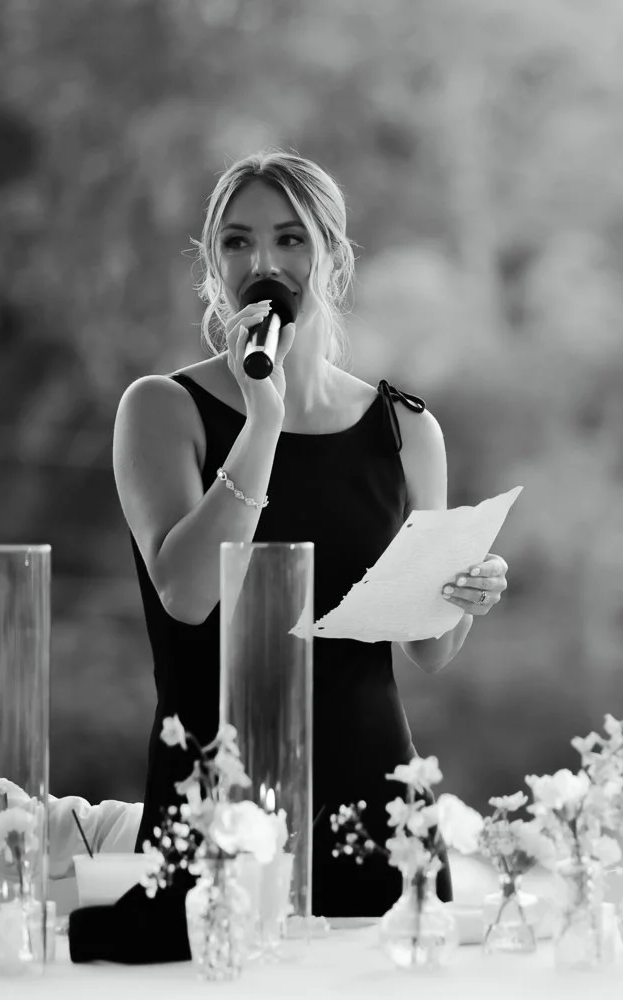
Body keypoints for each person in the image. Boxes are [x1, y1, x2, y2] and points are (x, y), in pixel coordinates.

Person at [111, 150, 507, 917]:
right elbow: (187, 595)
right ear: (214, 264)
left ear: (334, 257)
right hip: (213, 810)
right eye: (238, 241)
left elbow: (428, 651)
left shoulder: (407, 430)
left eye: (290, 239)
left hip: (379, 815)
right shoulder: (161, 409)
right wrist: (263, 418)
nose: (263, 262)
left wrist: (463, 593)